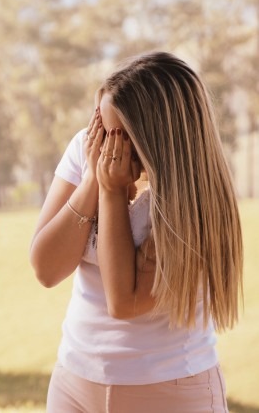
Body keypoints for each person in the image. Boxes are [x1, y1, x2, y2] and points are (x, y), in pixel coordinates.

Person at [30, 51, 243, 413]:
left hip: (168, 389)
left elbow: (124, 302)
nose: (104, 146)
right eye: (100, 127)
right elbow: (46, 269)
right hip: (75, 380)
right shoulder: (90, 150)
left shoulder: (189, 196)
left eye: (116, 135)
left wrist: (111, 191)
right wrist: (91, 180)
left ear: (151, 138)